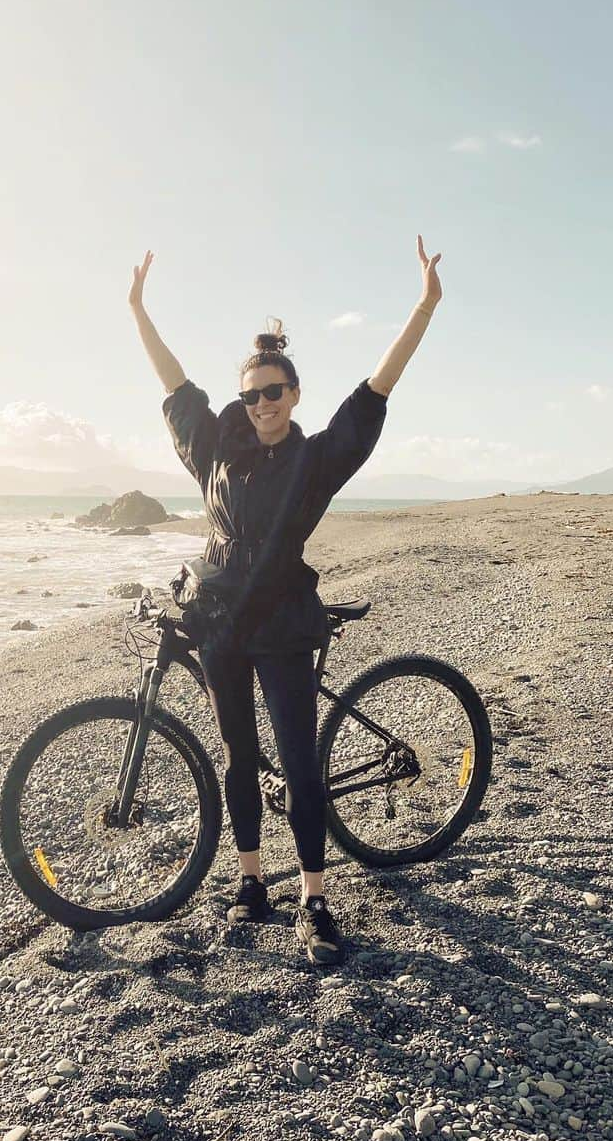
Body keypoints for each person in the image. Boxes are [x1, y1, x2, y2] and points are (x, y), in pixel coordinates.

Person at [128, 237, 443, 965]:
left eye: (274, 392)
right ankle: (250, 882)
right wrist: (138, 310)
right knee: (240, 757)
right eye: (252, 394)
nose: (262, 404)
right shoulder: (211, 449)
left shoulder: (316, 457)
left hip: (282, 624)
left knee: (299, 764)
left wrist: (423, 307)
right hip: (218, 623)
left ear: (294, 394)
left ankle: (315, 898)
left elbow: (375, 394)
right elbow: (175, 383)